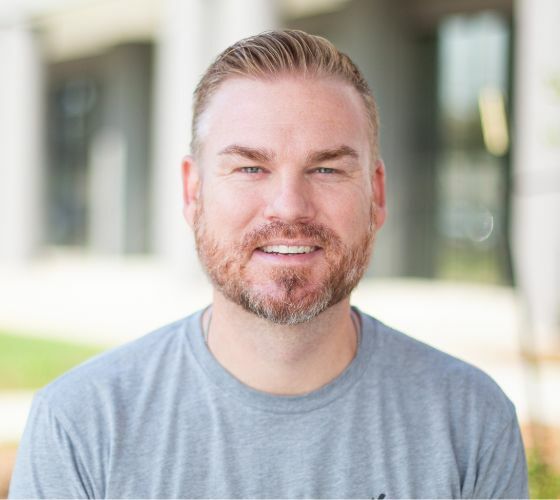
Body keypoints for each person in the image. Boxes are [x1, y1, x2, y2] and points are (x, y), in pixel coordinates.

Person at [9, 30, 528, 498]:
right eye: (250, 167)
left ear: (376, 193)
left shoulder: (470, 422)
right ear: (193, 192)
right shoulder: (81, 427)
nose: (289, 207)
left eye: (326, 169)